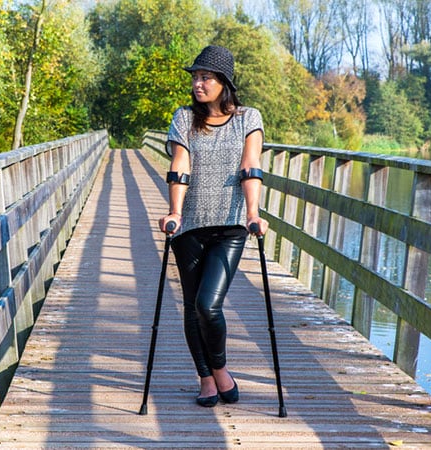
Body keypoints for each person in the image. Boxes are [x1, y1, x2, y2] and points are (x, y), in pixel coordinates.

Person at [159, 45, 269, 407]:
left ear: (224, 82)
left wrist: (253, 213)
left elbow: (250, 167)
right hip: (189, 227)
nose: (198, 83)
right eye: (195, 77)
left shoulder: (248, 118)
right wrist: (175, 211)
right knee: (192, 306)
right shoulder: (184, 118)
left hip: (230, 228)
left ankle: (220, 371)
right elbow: (180, 166)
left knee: (208, 305)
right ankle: (205, 379)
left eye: (205, 77)